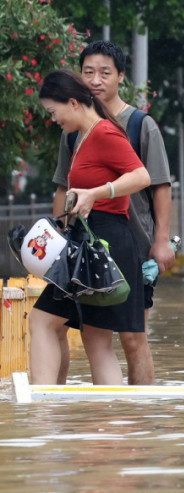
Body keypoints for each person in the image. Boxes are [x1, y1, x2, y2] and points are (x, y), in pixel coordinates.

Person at [49, 40, 175, 385]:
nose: (96, 80)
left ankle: (141, 415)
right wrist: (57, 238)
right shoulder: (74, 126)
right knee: (91, 334)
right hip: (87, 247)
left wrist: (161, 240)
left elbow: (160, 185)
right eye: (88, 72)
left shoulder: (139, 124)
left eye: (105, 72)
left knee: (134, 336)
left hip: (131, 243)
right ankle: (97, 412)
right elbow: (63, 186)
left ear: (121, 76)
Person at [31, 69, 151, 385]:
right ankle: (107, 422)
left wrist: (96, 193)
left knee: (43, 321)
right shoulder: (82, 137)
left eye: (53, 112)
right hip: (94, 242)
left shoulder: (104, 133)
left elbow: (141, 177)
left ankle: (41, 408)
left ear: (72, 102)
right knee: (96, 339)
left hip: (104, 244)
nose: (53, 119)